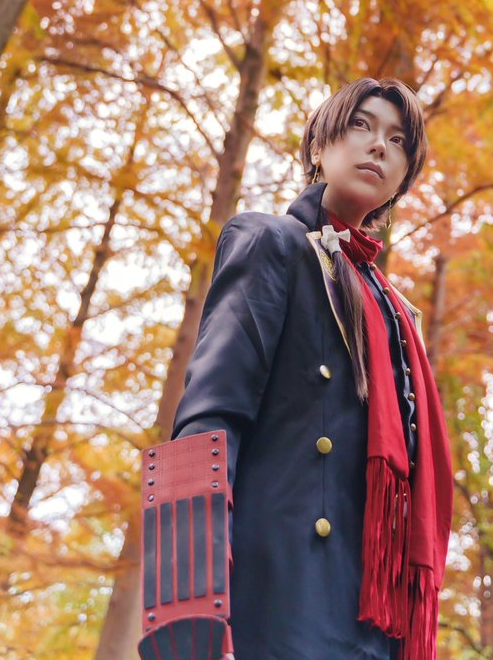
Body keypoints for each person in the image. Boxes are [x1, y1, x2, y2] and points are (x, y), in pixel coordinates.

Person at [138, 77, 453, 660]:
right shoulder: (271, 242)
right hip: (278, 598)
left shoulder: (396, 312)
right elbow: (211, 416)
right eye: (361, 125)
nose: (379, 145)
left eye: (398, 140)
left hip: (374, 621)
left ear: (404, 176)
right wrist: (188, 605)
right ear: (319, 146)